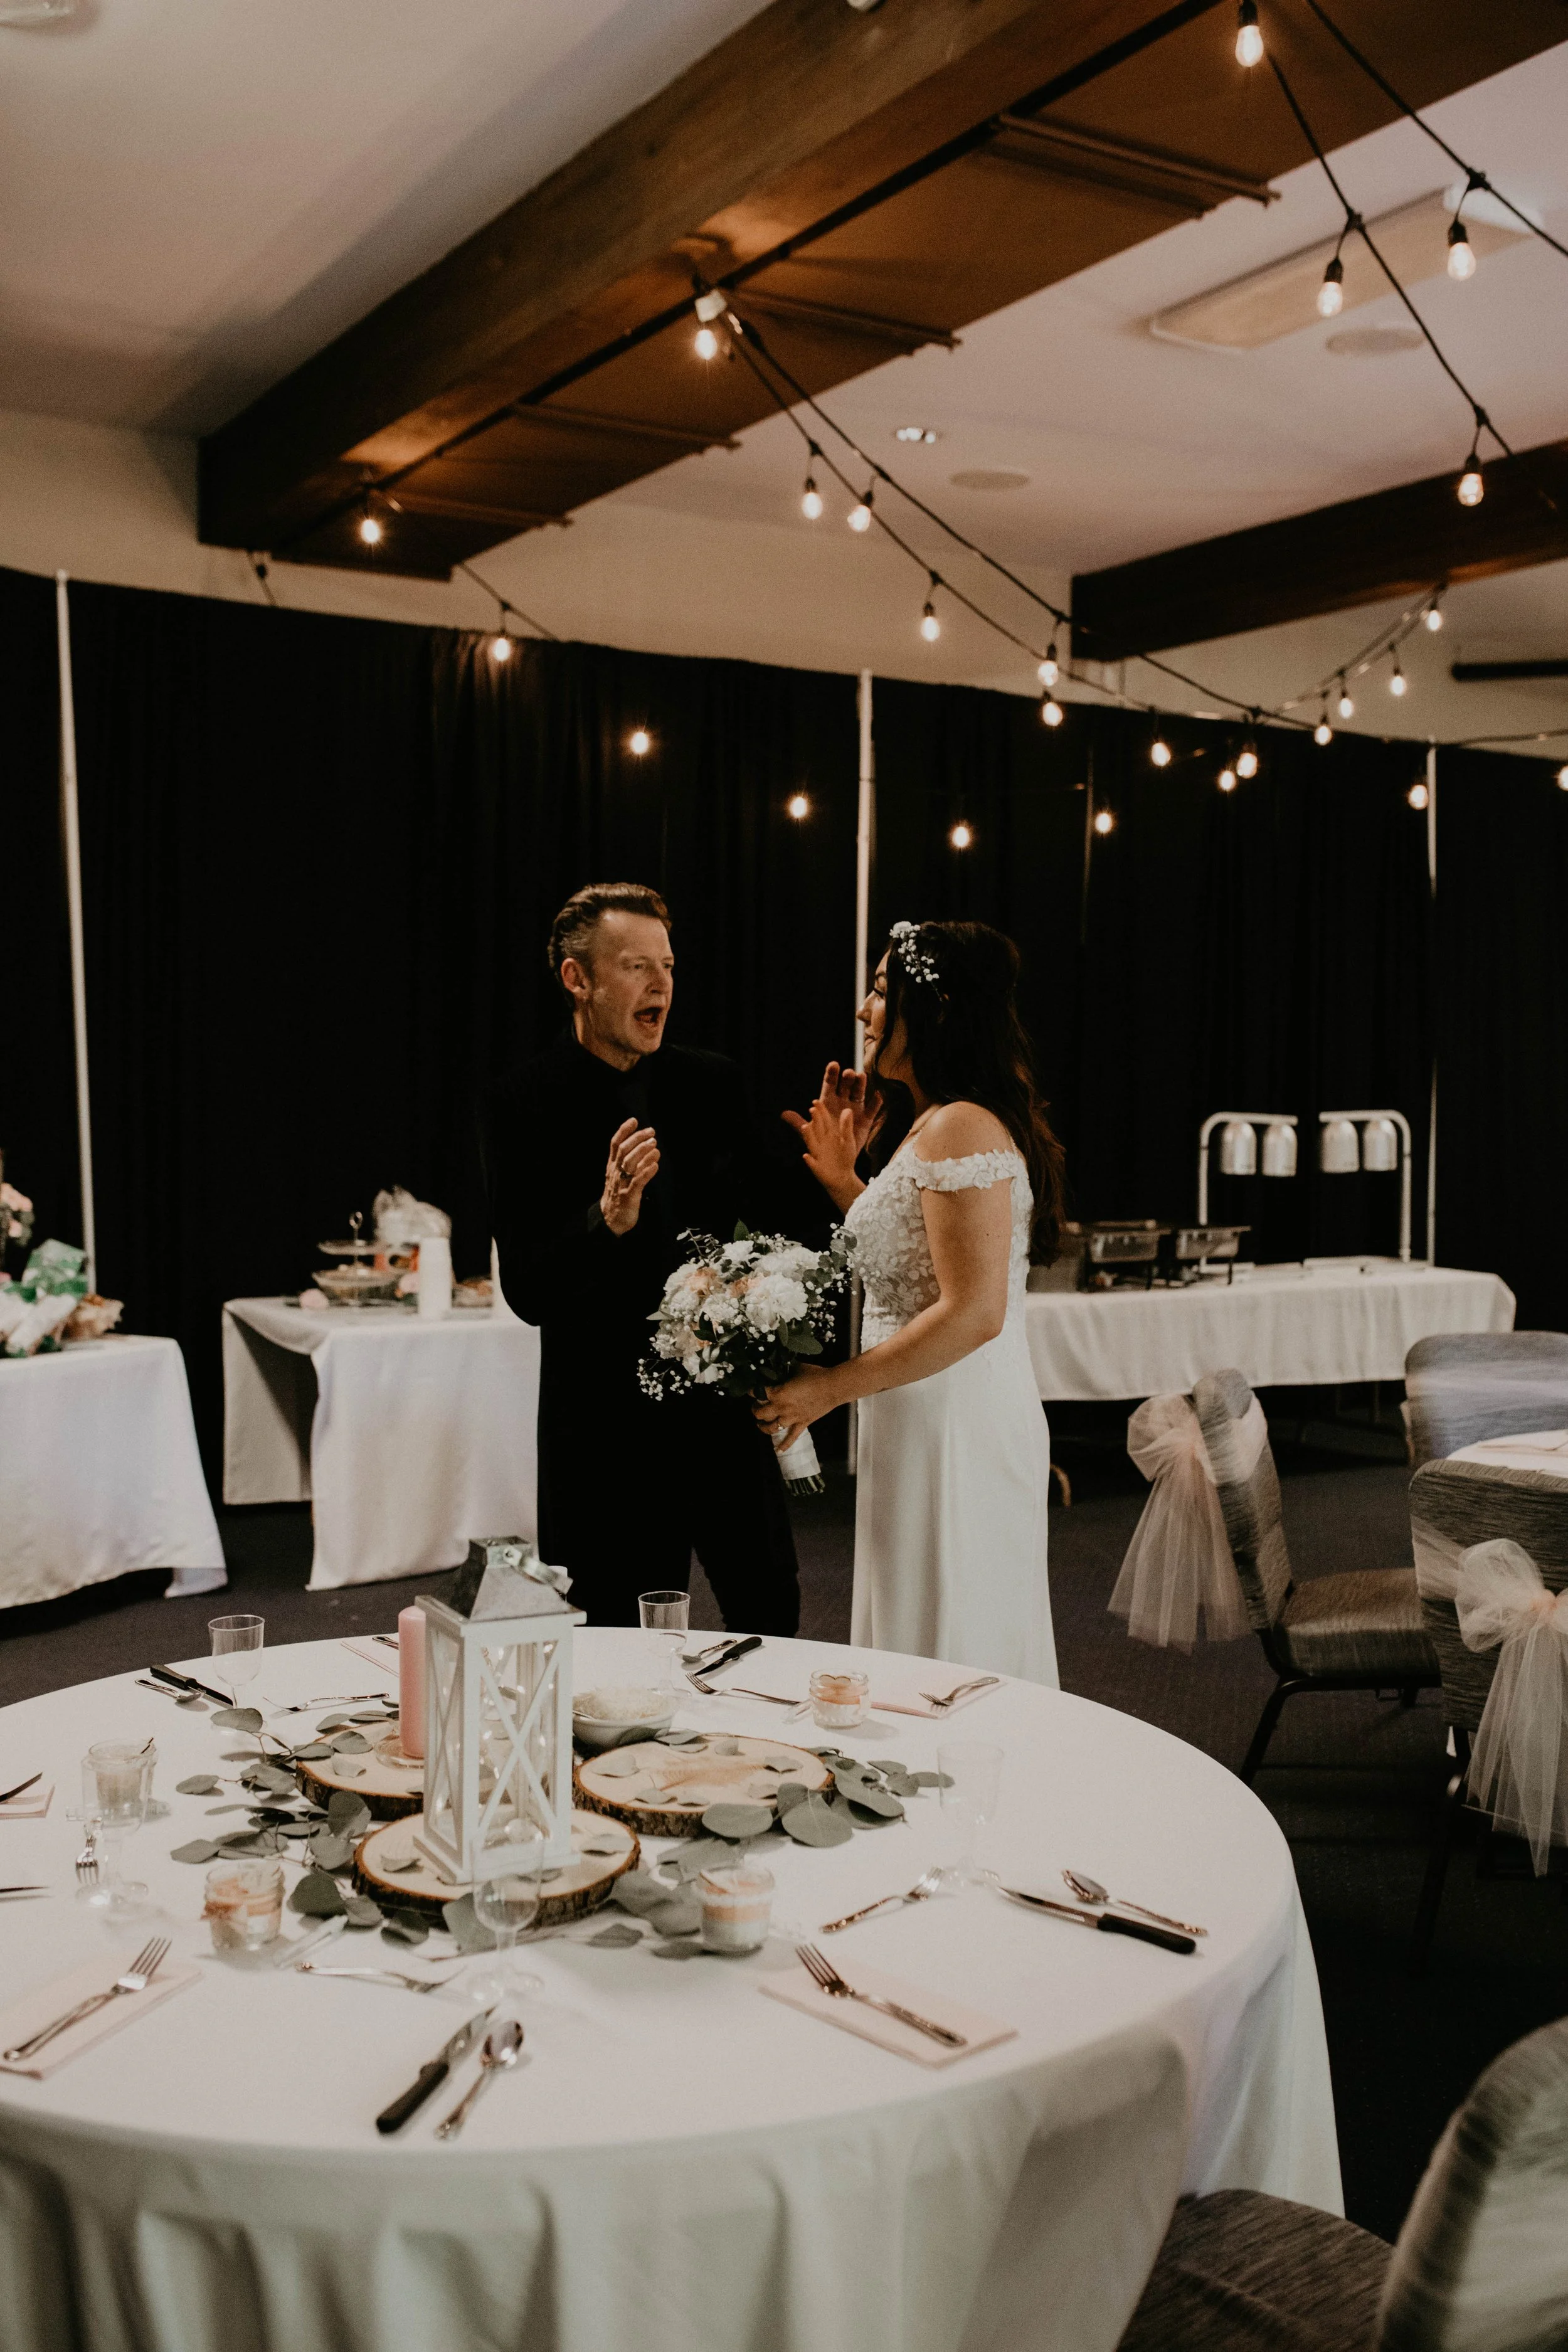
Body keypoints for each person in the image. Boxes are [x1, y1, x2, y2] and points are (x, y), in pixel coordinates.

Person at [484, 882, 800, 1633]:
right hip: (601, 1438)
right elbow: (527, 1289)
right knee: (617, 1665)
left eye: (667, 965)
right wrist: (607, 1220)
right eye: (636, 967)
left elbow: (781, 1220)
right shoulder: (520, 1101)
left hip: (724, 1417)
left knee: (772, 1622)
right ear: (577, 979)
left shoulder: (711, 1082)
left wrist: (837, 1174)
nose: (661, 983)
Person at [758, 919, 1063, 1683]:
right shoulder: (931, 1120)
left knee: (956, 1643)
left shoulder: (961, 1124)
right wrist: (844, 1183)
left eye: (882, 991)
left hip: (958, 1423)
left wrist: (828, 1388)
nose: (865, 1009)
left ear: (937, 1008)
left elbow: (973, 1311)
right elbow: (920, 1265)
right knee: (919, 1636)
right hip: (919, 1415)